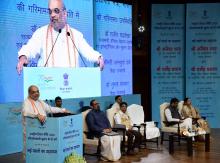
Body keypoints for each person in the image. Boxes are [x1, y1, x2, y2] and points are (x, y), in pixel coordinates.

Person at [17, 0, 104, 74]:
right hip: (48, 86)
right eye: (50, 12)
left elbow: (88, 51)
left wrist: (98, 58)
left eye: (56, 11)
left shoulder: (76, 35)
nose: (52, 15)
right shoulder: (41, 33)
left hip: (72, 86)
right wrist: (23, 57)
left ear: (65, 13)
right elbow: (30, 48)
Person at [22, 85, 70, 159]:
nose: (37, 93)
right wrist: (37, 115)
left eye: (38, 91)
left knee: (42, 155)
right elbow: (25, 112)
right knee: (32, 156)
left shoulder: (40, 101)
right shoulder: (26, 101)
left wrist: (63, 110)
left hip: (43, 133)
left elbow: (50, 109)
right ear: (29, 93)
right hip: (32, 135)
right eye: (34, 92)